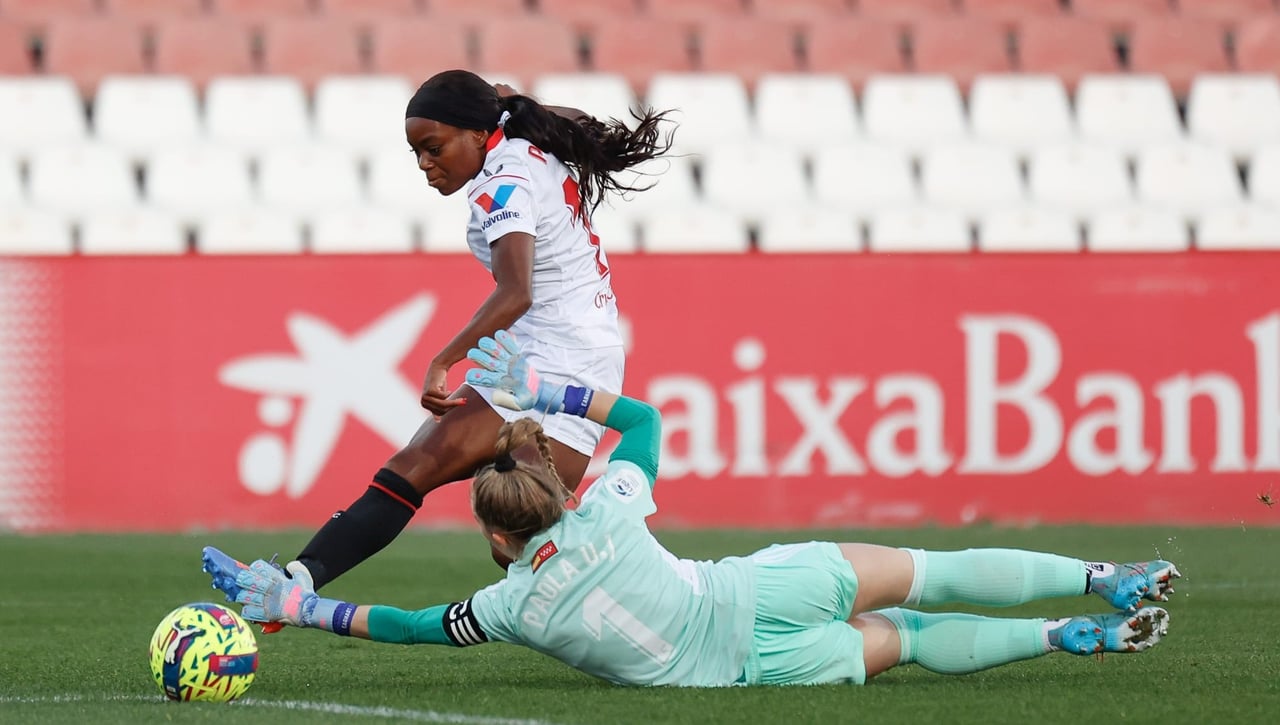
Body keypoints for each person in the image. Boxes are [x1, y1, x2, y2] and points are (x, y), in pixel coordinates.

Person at [205, 330, 1180, 688]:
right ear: (548, 493)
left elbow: (416, 625)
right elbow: (640, 415)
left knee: (914, 636)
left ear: (497, 532)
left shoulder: (508, 607)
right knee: (924, 567)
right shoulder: (607, 510)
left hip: (740, 669)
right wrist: (540, 385)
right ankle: (1105, 576)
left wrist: (297, 603)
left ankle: (1061, 635)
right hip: (756, 587)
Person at [206, 69, 676, 597]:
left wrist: (443, 359)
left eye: (433, 148)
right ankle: (291, 584)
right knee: (412, 468)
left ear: (476, 135)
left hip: (576, 360)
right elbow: (554, 122)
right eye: (417, 154)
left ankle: (663, 601)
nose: (426, 165)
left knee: (519, 544)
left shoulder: (504, 183)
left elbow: (515, 291)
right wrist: (509, 102)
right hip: (530, 356)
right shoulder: (515, 144)